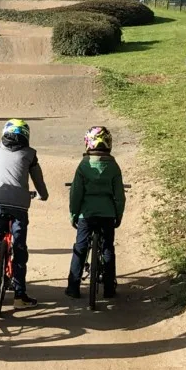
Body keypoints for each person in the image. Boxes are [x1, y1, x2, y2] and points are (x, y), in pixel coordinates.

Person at [0, 119, 49, 308]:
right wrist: (42, 196)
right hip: (20, 206)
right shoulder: (30, 154)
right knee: (19, 249)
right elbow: (38, 181)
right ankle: (19, 297)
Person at [66, 127, 125, 300]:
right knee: (107, 248)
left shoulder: (83, 166)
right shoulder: (114, 167)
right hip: (107, 214)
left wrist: (73, 214)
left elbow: (76, 194)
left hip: (87, 214)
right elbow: (119, 196)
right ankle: (108, 287)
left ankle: (73, 286)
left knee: (81, 247)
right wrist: (118, 214)